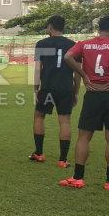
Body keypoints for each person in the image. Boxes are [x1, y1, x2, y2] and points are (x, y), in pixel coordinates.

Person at [60, 16, 109, 190]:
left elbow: (68, 56)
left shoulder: (85, 44)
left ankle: (78, 178)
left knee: (84, 136)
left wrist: (84, 75)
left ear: (99, 28)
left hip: (92, 94)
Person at [32, 15, 80, 166]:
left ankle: (39, 153)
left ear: (50, 27)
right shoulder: (73, 45)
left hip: (47, 87)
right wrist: (76, 91)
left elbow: (37, 69)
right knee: (64, 121)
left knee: (39, 117)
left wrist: (36, 88)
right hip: (66, 87)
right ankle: (63, 160)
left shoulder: (42, 43)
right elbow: (78, 72)